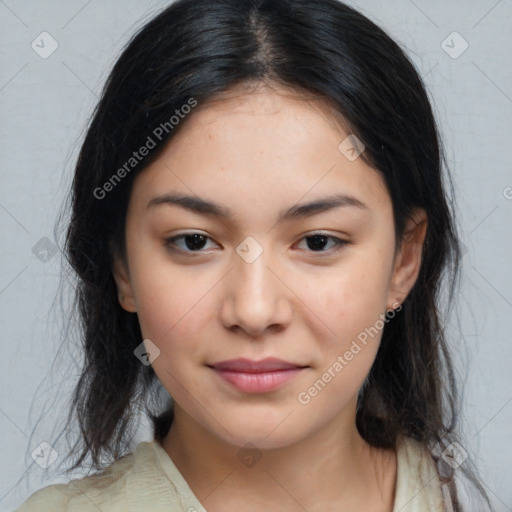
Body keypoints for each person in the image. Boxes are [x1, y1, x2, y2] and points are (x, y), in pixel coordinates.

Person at [16, 0, 490, 510]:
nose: (255, 311)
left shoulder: (450, 492)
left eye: (318, 241)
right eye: (194, 241)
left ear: (404, 259)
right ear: (122, 267)